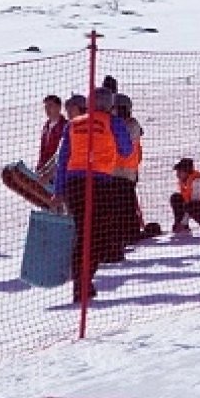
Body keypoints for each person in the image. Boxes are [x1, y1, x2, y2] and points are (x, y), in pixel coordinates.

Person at [52, 86, 134, 301]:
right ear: (109, 105)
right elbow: (126, 150)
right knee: (98, 233)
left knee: (82, 231)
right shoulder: (113, 122)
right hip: (99, 181)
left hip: (74, 182)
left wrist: (58, 190)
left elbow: (62, 159)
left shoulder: (73, 124)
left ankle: (80, 281)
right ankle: (85, 279)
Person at [112, 93, 145, 244]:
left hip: (126, 171)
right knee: (121, 203)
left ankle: (131, 233)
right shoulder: (121, 124)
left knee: (126, 204)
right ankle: (125, 233)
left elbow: (122, 146)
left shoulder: (131, 125)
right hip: (116, 171)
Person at [38, 95, 66, 175]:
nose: (47, 110)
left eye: (50, 106)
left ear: (59, 107)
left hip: (59, 170)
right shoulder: (46, 127)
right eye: (46, 107)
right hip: (44, 169)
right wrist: (40, 167)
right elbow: (42, 150)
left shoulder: (65, 126)